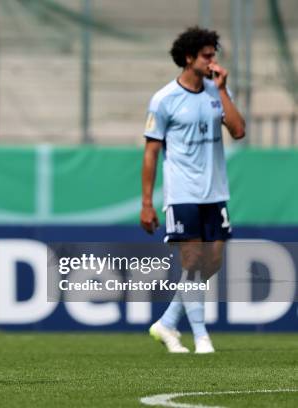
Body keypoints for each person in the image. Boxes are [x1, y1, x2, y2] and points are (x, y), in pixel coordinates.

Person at [140, 26, 245, 354]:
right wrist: (147, 203)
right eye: (207, 55)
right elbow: (151, 152)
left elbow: (239, 131)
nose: (213, 61)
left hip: (215, 191)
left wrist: (224, 91)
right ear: (189, 58)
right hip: (182, 192)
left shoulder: (217, 91)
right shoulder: (164, 99)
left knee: (212, 262)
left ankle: (167, 323)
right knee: (192, 260)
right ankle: (202, 338)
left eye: (214, 55)